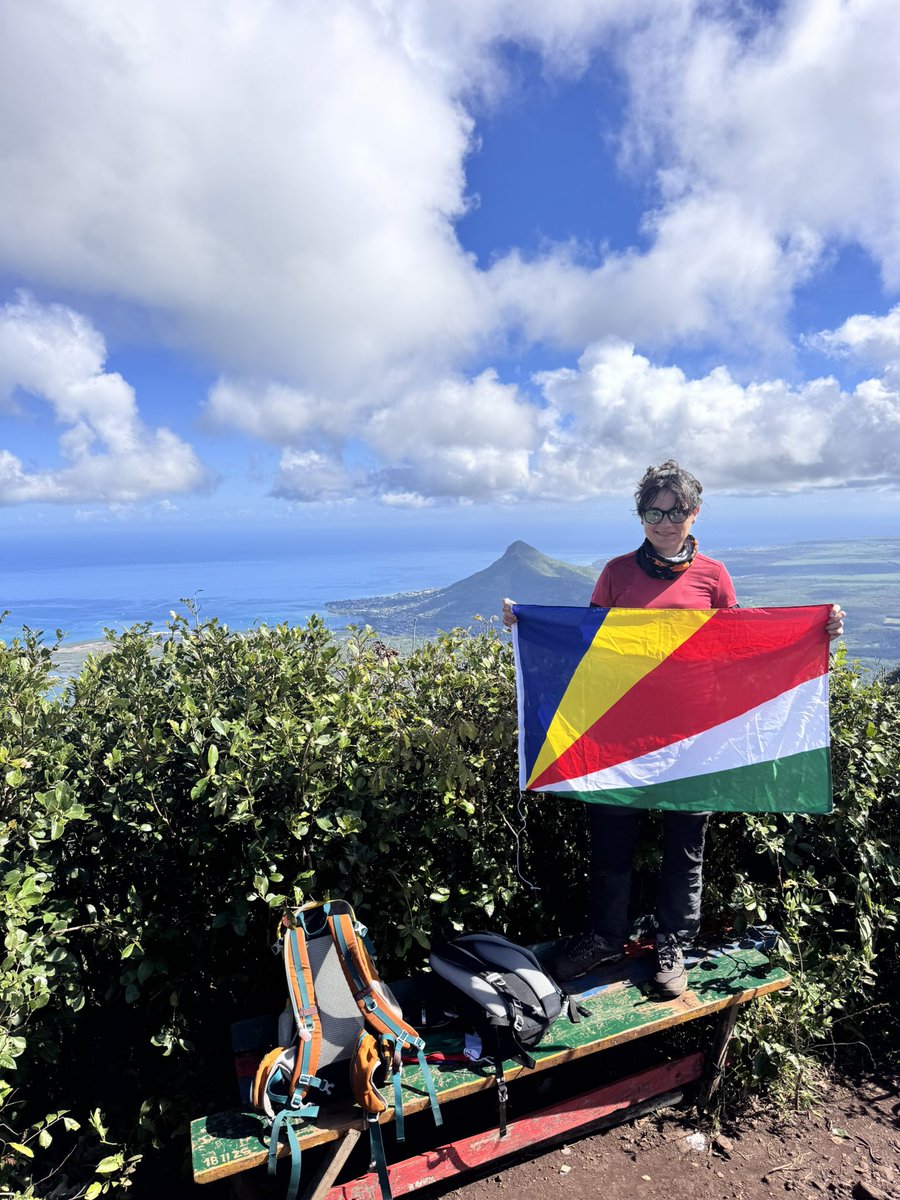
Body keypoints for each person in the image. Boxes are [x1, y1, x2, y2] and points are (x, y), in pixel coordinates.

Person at [502, 460, 845, 999]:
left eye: (675, 510)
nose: (664, 521)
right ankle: (606, 937)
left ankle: (673, 944)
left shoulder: (714, 575)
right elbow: (588, 649)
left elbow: (739, 646)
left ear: (694, 513)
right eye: (653, 511)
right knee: (611, 842)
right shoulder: (616, 572)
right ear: (640, 516)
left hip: (695, 737)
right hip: (622, 736)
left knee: (686, 846)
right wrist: (529, 626)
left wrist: (816, 631)